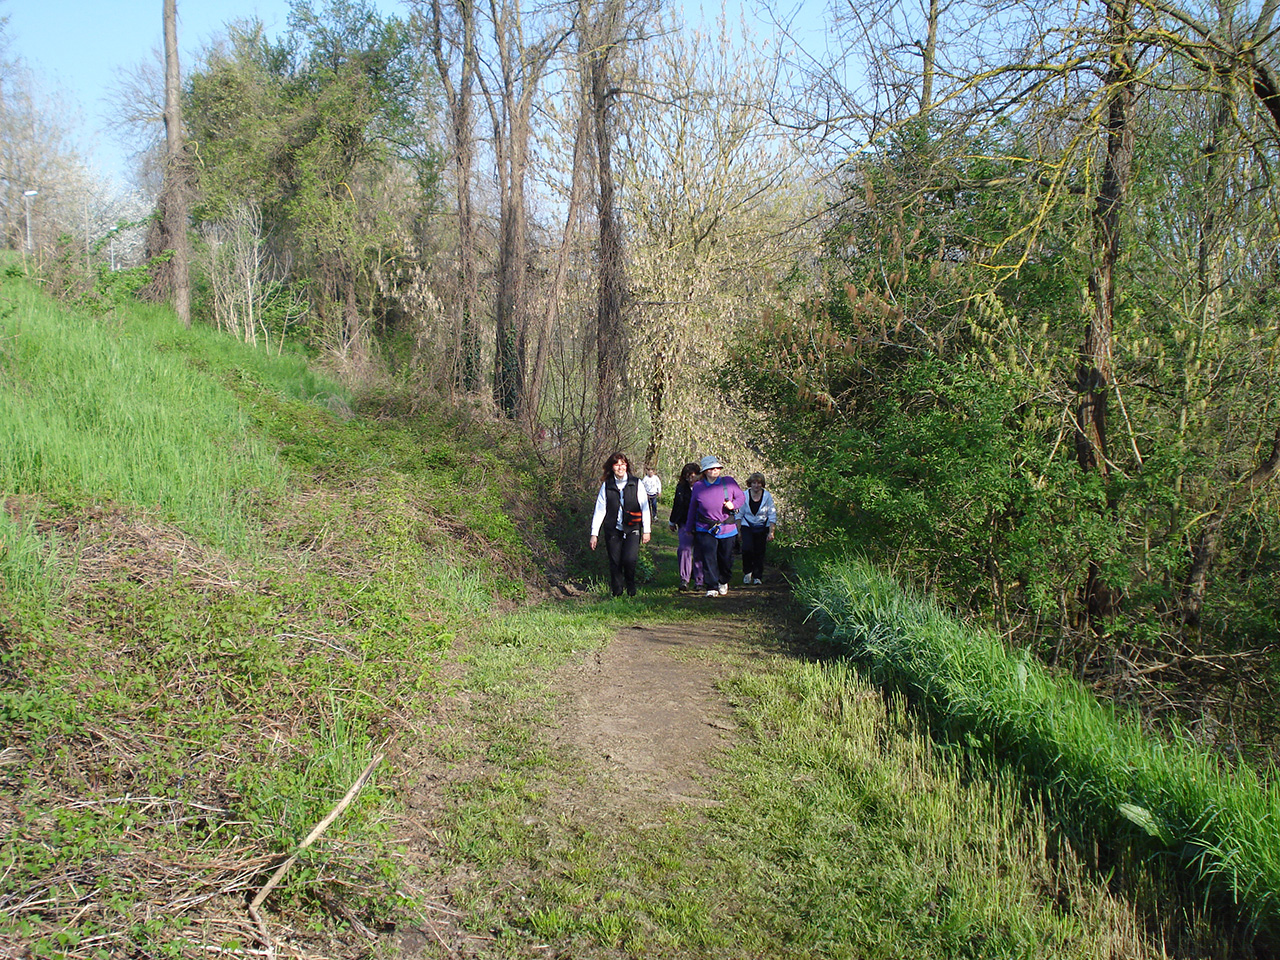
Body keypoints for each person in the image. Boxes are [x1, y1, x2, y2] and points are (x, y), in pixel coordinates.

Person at [681, 454, 745, 597]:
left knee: (725, 558)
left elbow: (741, 497)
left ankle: (723, 580)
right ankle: (711, 586)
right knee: (709, 557)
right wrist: (689, 527)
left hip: (727, 527)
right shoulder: (698, 486)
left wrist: (733, 504)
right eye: (711, 468)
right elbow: (693, 507)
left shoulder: (728, 482)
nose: (715, 470)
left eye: (717, 468)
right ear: (705, 471)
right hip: (705, 528)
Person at [589, 452, 651, 597]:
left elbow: (645, 507)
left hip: (632, 527)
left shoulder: (636, 483)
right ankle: (617, 592)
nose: (620, 467)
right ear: (612, 467)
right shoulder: (607, 485)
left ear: (627, 466)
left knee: (630, 559)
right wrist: (594, 534)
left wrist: (647, 530)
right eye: (617, 465)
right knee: (615, 561)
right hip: (613, 528)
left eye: (623, 464)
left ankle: (631, 588)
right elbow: (600, 510)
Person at [667, 462, 705, 592]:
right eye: (687, 476)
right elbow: (676, 505)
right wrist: (672, 521)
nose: (690, 479)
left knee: (699, 551)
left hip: (701, 523)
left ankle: (699, 580)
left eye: (692, 476)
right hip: (684, 522)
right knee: (684, 548)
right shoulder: (681, 488)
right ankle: (684, 579)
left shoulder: (704, 487)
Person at [737, 472, 777, 585]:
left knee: (759, 551)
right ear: (750, 484)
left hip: (762, 525)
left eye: (759, 483)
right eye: (754, 483)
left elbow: (772, 514)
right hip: (747, 525)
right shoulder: (744, 495)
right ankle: (747, 572)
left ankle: (757, 576)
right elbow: (739, 514)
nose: (756, 485)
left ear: (762, 484)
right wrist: (738, 531)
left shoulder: (767, 496)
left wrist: (771, 532)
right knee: (747, 548)